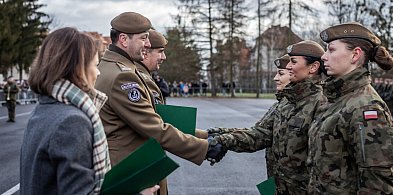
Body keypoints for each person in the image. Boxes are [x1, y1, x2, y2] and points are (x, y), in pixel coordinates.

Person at [19, 27, 159, 195]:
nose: (98, 72)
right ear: (79, 69)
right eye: (94, 64)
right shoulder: (71, 121)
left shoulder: (44, 109)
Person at [94, 12, 224, 183]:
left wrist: (203, 135)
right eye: (143, 38)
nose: (147, 44)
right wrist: (203, 148)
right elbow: (153, 126)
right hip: (129, 171)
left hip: (126, 166)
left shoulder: (116, 68)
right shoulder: (122, 76)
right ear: (124, 40)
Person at [208, 40, 327, 194]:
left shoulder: (322, 103)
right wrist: (223, 139)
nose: (289, 66)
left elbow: (326, 165)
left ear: (313, 67)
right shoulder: (287, 101)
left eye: (293, 61)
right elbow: (261, 134)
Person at [307, 22, 393, 194]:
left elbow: (377, 186)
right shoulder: (337, 99)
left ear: (355, 55)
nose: (323, 57)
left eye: (331, 50)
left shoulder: (366, 108)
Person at [207, 54, 291, 178]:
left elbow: (258, 136)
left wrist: (222, 140)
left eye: (281, 74)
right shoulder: (281, 104)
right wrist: (219, 133)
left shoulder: (316, 104)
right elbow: (258, 131)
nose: (275, 78)